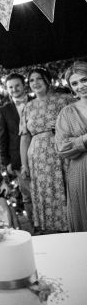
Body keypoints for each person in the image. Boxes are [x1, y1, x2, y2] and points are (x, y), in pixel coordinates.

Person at [20, 67, 74, 234]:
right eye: (31, 81)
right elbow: (24, 137)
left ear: (47, 80)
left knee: (66, 188)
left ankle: (72, 225)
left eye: (39, 79)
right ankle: (51, 230)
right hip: (37, 157)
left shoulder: (64, 100)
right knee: (45, 192)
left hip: (61, 151)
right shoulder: (27, 107)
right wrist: (24, 165)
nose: (35, 83)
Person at [0, 73, 34, 225]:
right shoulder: (4, 110)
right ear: (6, 90)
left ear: (24, 85)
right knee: (28, 195)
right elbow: (2, 138)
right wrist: (7, 162)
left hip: (42, 153)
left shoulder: (37, 101)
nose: (14, 89)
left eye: (17, 85)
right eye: (10, 87)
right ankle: (36, 226)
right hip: (18, 159)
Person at [55, 61, 87, 232]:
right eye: (74, 83)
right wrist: (84, 139)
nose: (80, 86)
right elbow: (62, 147)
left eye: (84, 80)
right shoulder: (67, 113)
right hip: (82, 174)